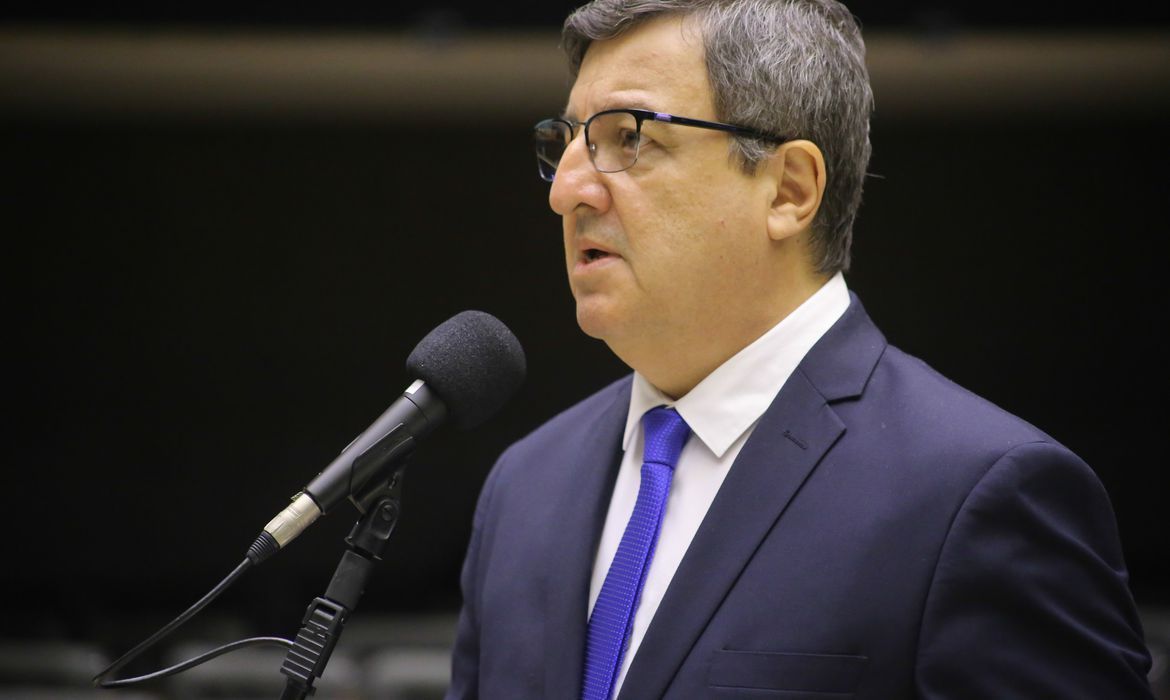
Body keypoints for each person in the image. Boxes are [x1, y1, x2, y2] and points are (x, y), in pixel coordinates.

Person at [446, 0, 1155, 697]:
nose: (567, 190)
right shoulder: (525, 487)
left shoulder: (978, 495)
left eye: (628, 137)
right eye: (567, 141)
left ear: (789, 190)